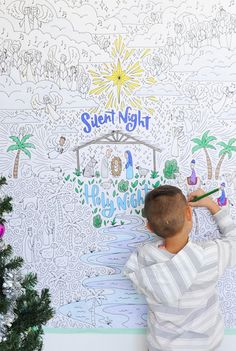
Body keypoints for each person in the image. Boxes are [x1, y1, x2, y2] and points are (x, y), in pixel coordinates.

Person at [124, 185, 236, 351]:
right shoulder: (211, 255)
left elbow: (135, 277)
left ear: (149, 227)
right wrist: (211, 204)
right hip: (205, 346)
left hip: (162, 346)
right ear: (189, 213)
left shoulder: (145, 257)